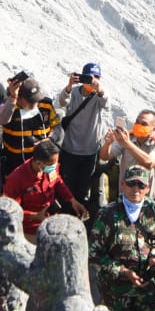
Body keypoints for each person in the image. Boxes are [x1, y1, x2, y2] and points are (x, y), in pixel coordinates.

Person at [88, 165, 155, 311]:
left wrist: (154, 257)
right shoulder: (107, 214)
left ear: (148, 188)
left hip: (144, 280)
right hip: (115, 285)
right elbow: (95, 254)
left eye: (141, 185)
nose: (136, 189)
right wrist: (123, 272)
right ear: (122, 185)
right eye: (131, 184)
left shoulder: (151, 208)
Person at [99, 108, 155, 243]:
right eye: (137, 122)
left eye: (143, 124)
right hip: (128, 198)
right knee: (124, 238)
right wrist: (108, 143)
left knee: (154, 239)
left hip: (151, 200)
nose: (138, 125)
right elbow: (105, 156)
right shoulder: (128, 137)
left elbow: (149, 162)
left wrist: (127, 143)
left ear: (153, 129)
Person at [2, 138, 88, 242]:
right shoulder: (16, 179)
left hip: (52, 223)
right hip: (30, 231)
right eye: (52, 165)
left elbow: (57, 181)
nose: (55, 167)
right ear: (38, 163)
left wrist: (72, 200)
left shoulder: (50, 166)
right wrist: (35, 216)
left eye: (56, 163)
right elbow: (10, 211)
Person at [56, 62, 109, 212]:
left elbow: (106, 104)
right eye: (89, 77)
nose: (93, 80)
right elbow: (61, 102)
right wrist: (68, 86)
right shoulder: (73, 92)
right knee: (67, 187)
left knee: (83, 189)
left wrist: (100, 90)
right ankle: (66, 213)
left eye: (97, 77)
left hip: (90, 151)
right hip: (70, 149)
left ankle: (81, 216)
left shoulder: (99, 95)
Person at [0, 75, 60, 176]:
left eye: (36, 99)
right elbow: (2, 120)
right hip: (16, 166)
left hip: (42, 164)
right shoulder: (9, 105)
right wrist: (12, 98)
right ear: (20, 98)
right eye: (30, 101)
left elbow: (57, 127)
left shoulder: (46, 104)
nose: (34, 104)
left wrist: (51, 139)